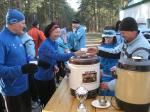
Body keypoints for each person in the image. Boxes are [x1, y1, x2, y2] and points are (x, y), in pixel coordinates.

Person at [88, 17, 150, 112]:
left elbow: (135, 77)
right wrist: (98, 50)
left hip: (136, 96)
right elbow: (115, 52)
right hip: (126, 89)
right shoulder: (129, 41)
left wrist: (110, 85)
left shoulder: (141, 48)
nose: (121, 35)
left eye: (123, 32)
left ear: (133, 31)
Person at [34, 22, 84, 106]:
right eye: (56, 32)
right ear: (50, 32)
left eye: (59, 32)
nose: (58, 34)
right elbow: (58, 56)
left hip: (49, 75)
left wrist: (55, 65)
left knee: (52, 99)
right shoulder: (46, 44)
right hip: (41, 77)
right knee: (46, 102)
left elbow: (52, 57)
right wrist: (74, 53)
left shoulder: (55, 43)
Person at [0, 9, 38, 112]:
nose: (24, 26)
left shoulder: (17, 37)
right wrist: (21, 69)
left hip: (24, 87)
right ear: (13, 22)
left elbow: (23, 58)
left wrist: (35, 62)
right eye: (22, 23)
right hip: (11, 91)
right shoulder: (1, 39)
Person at [99, 28, 119, 96]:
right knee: (103, 91)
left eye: (110, 37)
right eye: (106, 37)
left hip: (114, 74)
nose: (107, 39)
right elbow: (99, 60)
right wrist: (100, 69)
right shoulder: (101, 47)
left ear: (114, 37)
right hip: (104, 74)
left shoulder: (117, 47)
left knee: (113, 92)